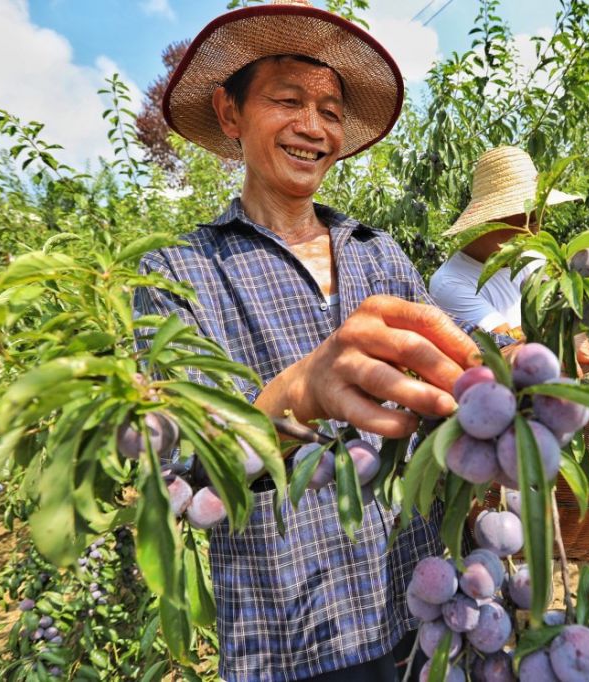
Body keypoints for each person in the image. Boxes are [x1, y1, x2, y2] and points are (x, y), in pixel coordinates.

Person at [135, 3, 482, 679]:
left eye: (329, 109)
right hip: (290, 631)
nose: (313, 126)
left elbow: (443, 397)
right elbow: (188, 470)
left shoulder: (379, 255)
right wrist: (298, 394)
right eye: (287, 100)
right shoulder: (178, 269)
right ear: (231, 115)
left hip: (419, 599)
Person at [431, 146, 589, 644]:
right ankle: (527, 630)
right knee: (520, 543)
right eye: (524, 212)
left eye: (537, 210)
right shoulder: (451, 283)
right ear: (495, 216)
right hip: (509, 432)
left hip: (561, 414)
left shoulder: (530, 260)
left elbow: (575, 336)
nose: (537, 221)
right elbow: (521, 355)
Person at [428, 146, 581, 336]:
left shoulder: (531, 255)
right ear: (489, 221)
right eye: (529, 222)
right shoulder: (449, 284)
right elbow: (508, 346)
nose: (536, 234)